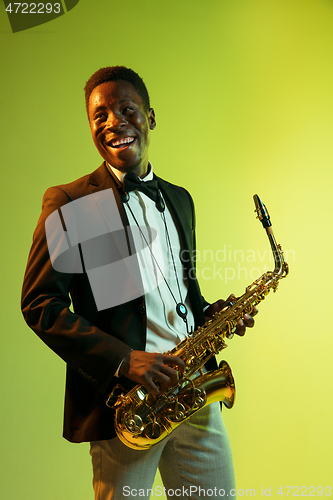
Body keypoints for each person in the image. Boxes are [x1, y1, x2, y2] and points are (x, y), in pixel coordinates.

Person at [21, 66, 257, 499]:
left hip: (192, 390)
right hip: (126, 405)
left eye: (126, 109)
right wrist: (125, 360)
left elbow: (179, 293)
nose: (114, 122)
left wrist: (212, 314)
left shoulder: (180, 200)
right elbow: (41, 305)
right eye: (100, 115)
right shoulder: (71, 202)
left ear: (150, 117)